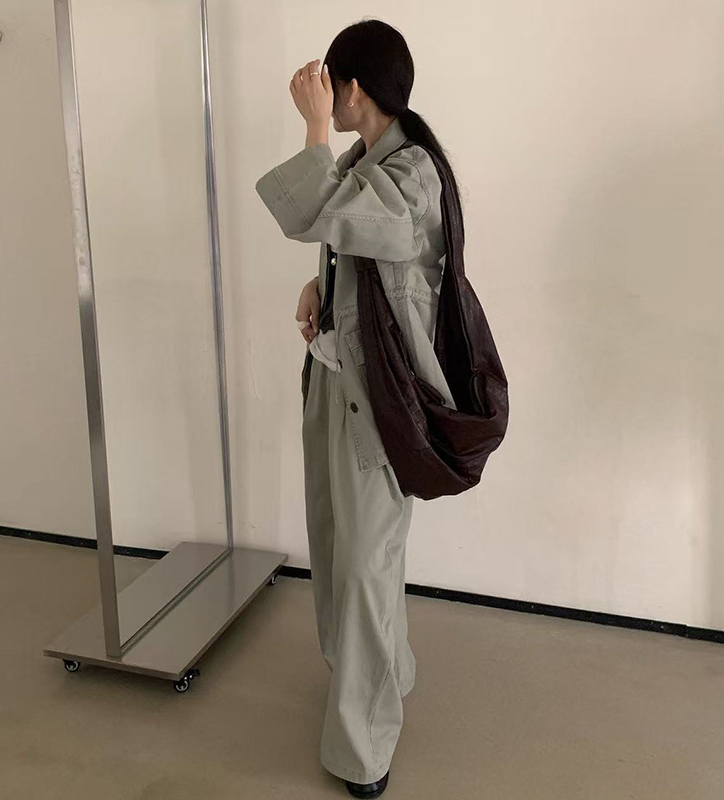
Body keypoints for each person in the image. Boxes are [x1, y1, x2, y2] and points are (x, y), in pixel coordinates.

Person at [255, 19, 459, 799]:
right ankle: (377, 675)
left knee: (367, 563)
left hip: (378, 406)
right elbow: (349, 234)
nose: (324, 100)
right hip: (336, 383)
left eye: (330, 89)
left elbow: (342, 218)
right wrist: (322, 283)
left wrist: (311, 128)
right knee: (341, 546)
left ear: (354, 91)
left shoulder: (414, 172)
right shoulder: (369, 160)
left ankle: (364, 748)